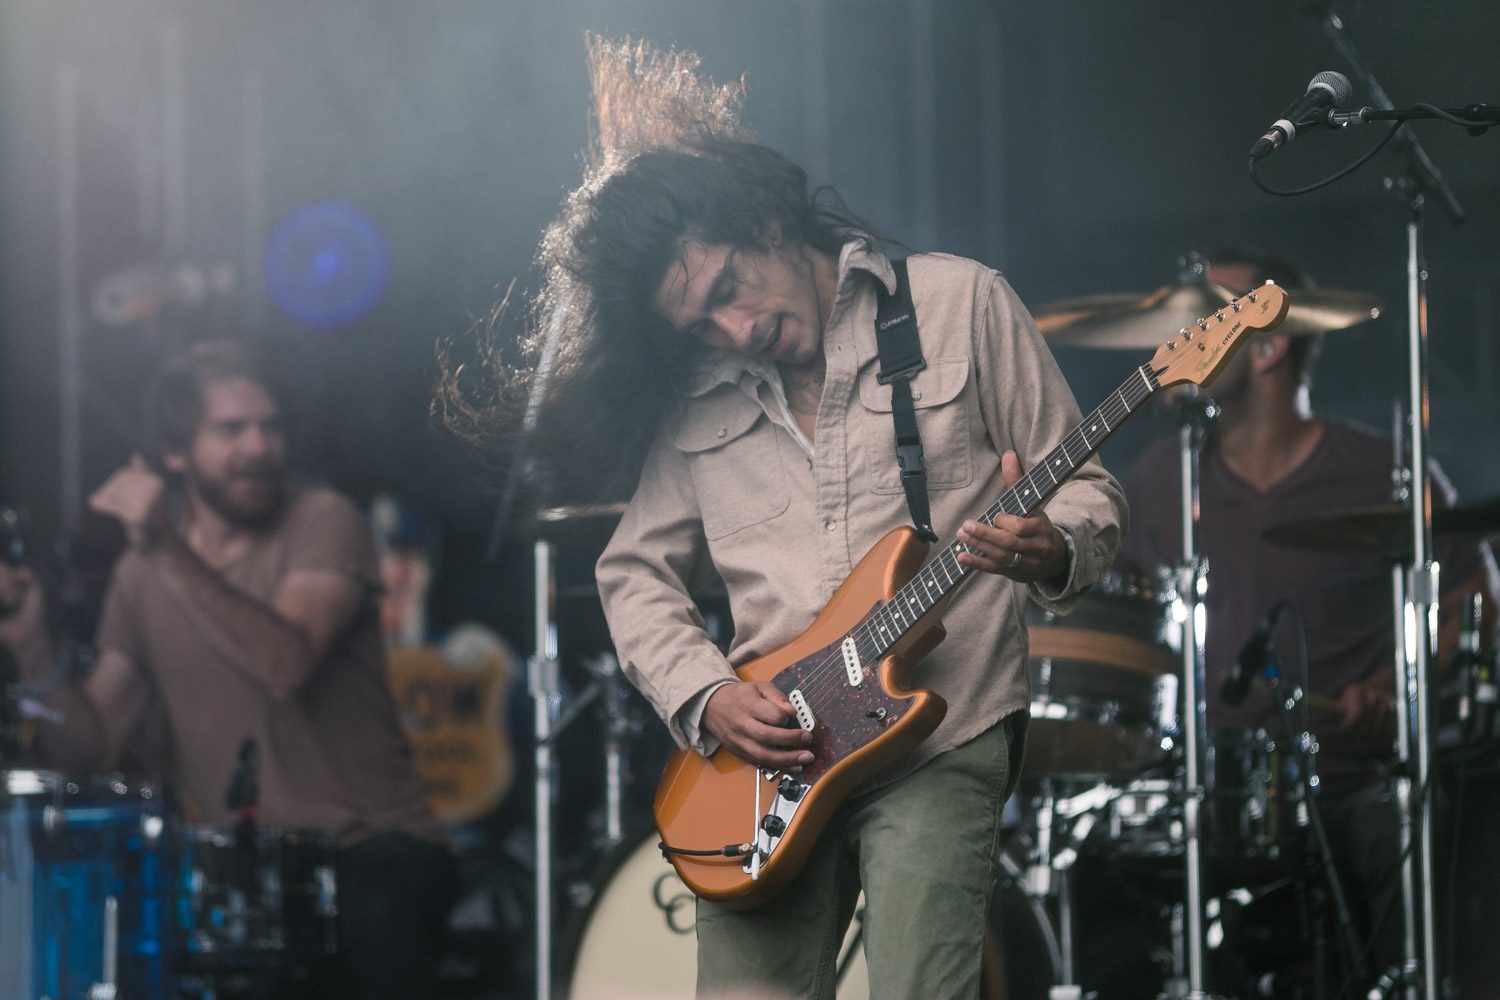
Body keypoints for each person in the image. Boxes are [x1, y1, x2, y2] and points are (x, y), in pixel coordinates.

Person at [450, 40, 1127, 999]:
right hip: (770, 756)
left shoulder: (959, 303)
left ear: (765, 223)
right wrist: (708, 695)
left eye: (727, 289)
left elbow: (1089, 488)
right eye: (700, 325)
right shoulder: (698, 400)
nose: (734, 330)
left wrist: (1052, 544)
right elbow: (632, 573)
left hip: (942, 728)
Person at [0, 340, 456, 1000]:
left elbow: (286, 662)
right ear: (175, 452)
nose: (259, 447)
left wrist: (165, 547)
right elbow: (93, 748)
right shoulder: (139, 575)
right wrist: (34, 648)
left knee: (381, 914)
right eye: (231, 430)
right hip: (236, 873)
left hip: (372, 849)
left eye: (271, 427)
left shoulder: (322, 519)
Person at [1111, 251, 1499, 989]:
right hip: (1210, 788)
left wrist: (1394, 688)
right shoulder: (1162, 478)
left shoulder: (1383, 469)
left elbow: (1476, 600)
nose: (1184, 335)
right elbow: (1119, 624)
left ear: (1269, 346)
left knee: (1402, 831)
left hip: (1354, 779)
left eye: (1209, 317)